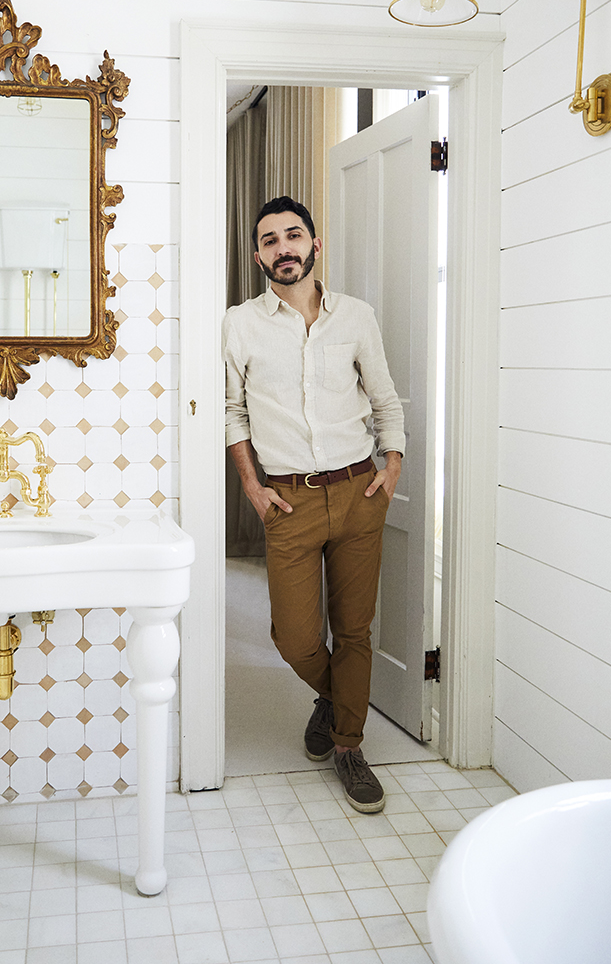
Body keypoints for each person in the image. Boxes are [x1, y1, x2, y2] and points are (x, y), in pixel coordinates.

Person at [223, 195, 405, 813]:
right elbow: (232, 411)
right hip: (289, 503)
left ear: (314, 245)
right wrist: (252, 486)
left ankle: (349, 746)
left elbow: (383, 394)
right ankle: (334, 700)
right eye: (270, 241)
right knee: (295, 637)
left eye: (293, 236)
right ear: (257, 256)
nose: (283, 249)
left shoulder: (355, 316)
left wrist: (393, 463)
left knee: (354, 630)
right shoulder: (240, 323)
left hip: (359, 492)